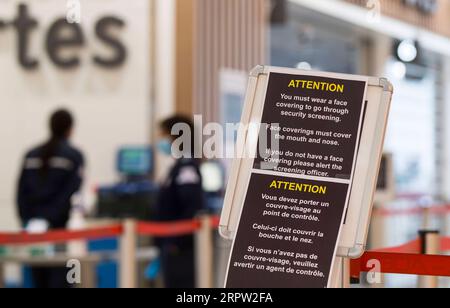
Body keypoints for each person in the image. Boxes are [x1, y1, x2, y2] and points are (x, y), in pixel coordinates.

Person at [17, 109, 84, 288]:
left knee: (39, 279)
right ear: (70, 129)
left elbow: (20, 193)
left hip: (33, 229)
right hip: (59, 230)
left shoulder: (31, 154)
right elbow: (72, 192)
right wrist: (52, 219)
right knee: (63, 278)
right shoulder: (73, 156)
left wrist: (28, 220)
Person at [156, 115, 205, 288]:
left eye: (164, 135)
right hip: (171, 244)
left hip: (180, 248)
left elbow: (192, 205)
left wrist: (177, 241)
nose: (161, 140)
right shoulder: (177, 166)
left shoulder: (186, 168)